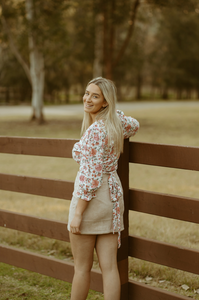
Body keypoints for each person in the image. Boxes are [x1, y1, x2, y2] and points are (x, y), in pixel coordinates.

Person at [67, 77, 139, 300]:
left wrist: (78, 213)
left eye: (95, 96)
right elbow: (134, 124)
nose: (87, 99)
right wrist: (115, 113)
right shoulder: (115, 124)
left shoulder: (95, 132)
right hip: (112, 198)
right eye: (87, 93)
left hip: (90, 200)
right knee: (109, 268)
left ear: (105, 102)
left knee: (81, 268)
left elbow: (90, 177)